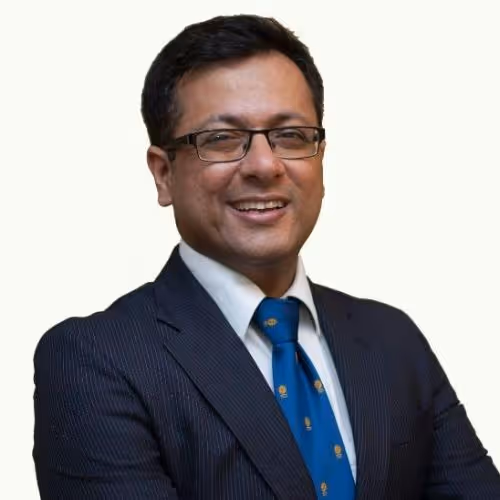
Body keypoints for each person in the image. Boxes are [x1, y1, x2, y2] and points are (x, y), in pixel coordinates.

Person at [33, 13, 500, 500]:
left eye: (291, 136)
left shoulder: (393, 339)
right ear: (163, 173)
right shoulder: (95, 360)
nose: (264, 165)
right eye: (221, 139)